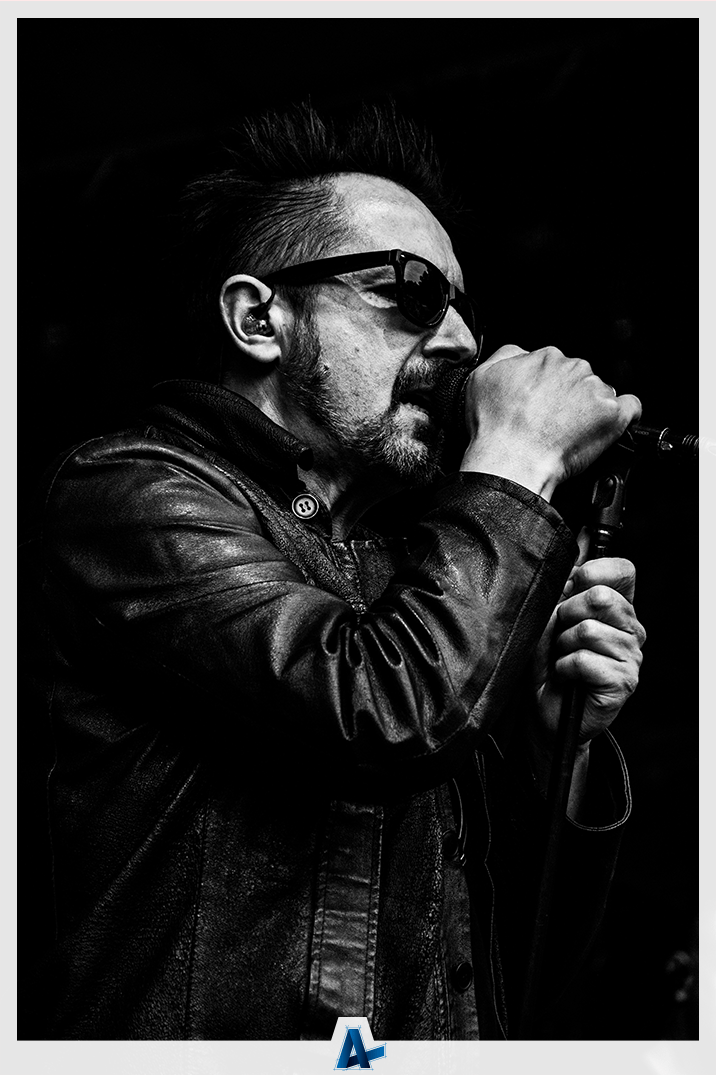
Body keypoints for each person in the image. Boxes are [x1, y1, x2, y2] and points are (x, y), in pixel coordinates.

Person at [20, 102, 646, 1041]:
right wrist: (516, 460)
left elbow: (516, 976)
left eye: (464, 310)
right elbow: (380, 711)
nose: (460, 343)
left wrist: (558, 750)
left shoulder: (422, 572)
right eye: (412, 293)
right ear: (258, 318)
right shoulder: (131, 493)